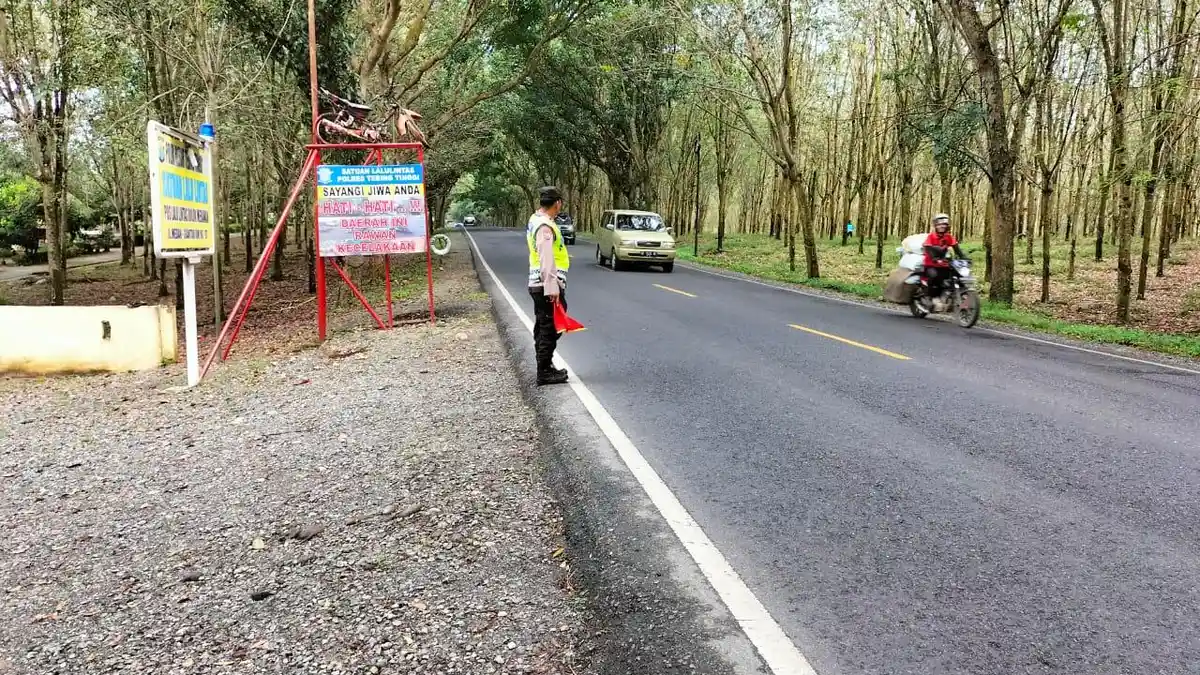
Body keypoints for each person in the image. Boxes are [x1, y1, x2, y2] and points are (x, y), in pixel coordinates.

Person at [527, 186, 571, 386]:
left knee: (545, 326)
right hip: (545, 286)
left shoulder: (536, 219)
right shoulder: (545, 226)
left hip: (539, 284)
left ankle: (545, 365)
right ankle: (543, 371)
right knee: (550, 328)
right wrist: (552, 288)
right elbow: (546, 258)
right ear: (558, 203)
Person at [922, 213, 967, 310]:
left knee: (957, 277)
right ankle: (929, 298)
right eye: (939, 224)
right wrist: (934, 258)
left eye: (944, 224)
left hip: (945, 265)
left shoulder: (949, 237)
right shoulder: (931, 237)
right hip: (931, 264)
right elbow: (928, 248)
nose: (942, 226)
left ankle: (955, 298)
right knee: (934, 276)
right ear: (935, 225)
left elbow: (957, 249)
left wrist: (965, 258)